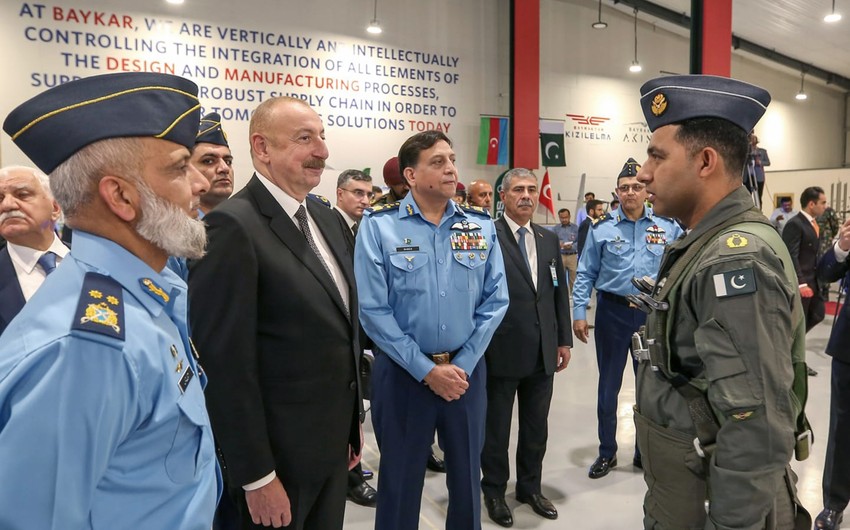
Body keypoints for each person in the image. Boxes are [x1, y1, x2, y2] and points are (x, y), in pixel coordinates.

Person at [0, 72, 218, 529]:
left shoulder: (148, 294)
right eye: (180, 167)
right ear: (120, 195)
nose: (200, 183)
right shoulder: (85, 348)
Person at [633, 74, 811, 529]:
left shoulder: (736, 261)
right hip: (686, 493)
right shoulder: (704, 243)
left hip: (712, 505)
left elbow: (756, 424)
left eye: (657, 155)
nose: (642, 172)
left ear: (706, 161)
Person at [189, 96, 362, 530]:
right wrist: (256, 476)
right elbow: (224, 367)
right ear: (262, 148)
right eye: (305, 138)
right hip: (276, 466)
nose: (322, 150)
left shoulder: (327, 219)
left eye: (322, 136)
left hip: (331, 450)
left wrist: (349, 431)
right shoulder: (231, 228)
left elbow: (341, 332)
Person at [354, 130, 508, 530]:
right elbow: (373, 310)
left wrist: (465, 364)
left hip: (465, 376)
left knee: (466, 483)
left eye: (452, 159)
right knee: (400, 484)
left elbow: (496, 301)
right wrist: (426, 370)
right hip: (404, 378)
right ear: (410, 175)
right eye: (437, 162)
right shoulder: (378, 227)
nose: (451, 168)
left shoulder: (479, 226)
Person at [572, 157, 682, 480]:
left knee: (650, 388)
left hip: (651, 315)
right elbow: (585, 274)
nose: (631, 192)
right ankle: (607, 452)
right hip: (612, 314)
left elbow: (679, 272)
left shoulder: (668, 227)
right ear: (616, 193)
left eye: (637, 187)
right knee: (608, 386)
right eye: (624, 188)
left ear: (646, 191)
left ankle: (643, 452)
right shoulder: (600, 229)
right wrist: (579, 313)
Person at [481, 168, 571, 527]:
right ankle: (493, 490)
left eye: (532, 189)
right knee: (496, 430)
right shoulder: (487, 236)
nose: (527, 196)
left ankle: (529, 488)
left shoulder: (548, 239)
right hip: (500, 350)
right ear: (502, 196)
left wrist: (563, 338)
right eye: (518, 189)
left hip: (542, 352)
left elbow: (557, 292)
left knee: (536, 427)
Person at [333, 168, 379, 508]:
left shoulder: (365, 230)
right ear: (340, 194)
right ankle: (350, 477)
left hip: (362, 333)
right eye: (357, 193)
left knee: (358, 408)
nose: (364, 200)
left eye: (368, 194)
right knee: (347, 410)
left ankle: (352, 466)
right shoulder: (327, 228)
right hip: (338, 334)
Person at [0, 165, 68, 335]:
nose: (7, 205)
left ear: (55, 208)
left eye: (22, 195)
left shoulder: (99, 264)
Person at [814, 218, 850, 530]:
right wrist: (842, 247)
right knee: (842, 430)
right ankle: (833, 505)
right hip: (849, 348)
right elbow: (825, 273)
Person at [782, 186, 828, 335]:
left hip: (814, 280)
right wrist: (800, 283)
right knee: (796, 322)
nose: (825, 206)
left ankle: (796, 340)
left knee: (818, 314)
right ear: (811, 204)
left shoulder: (814, 224)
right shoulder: (795, 224)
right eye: (823, 202)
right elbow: (790, 255)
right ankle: (790, 348)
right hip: (802, 282)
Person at [191, 112, 234, 218]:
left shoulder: (244, 223)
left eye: (228, 161)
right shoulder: (173, 229)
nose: (224, 168)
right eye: (209, 161)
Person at [550, 207, 579, 293]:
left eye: (566, 217)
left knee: (573, 278)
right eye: (562, 218)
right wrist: (559, 245)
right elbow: (551, 242)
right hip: (560, 256)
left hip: (572, 256)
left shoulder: (575, 228)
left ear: (569, 216)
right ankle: (562, 298)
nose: (564, 219)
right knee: (560, 278)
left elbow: (579, 242)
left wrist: (572, 246)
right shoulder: (555, 229)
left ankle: (575, 300)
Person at [743, 133, 770, 207]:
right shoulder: (745, 153)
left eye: (753, 139)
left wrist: (760, 162)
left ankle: (759, 209)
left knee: (759, 196)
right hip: (747, 176)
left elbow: (768, 163)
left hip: (758, 177)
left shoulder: (762, 151)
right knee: (747, 196)